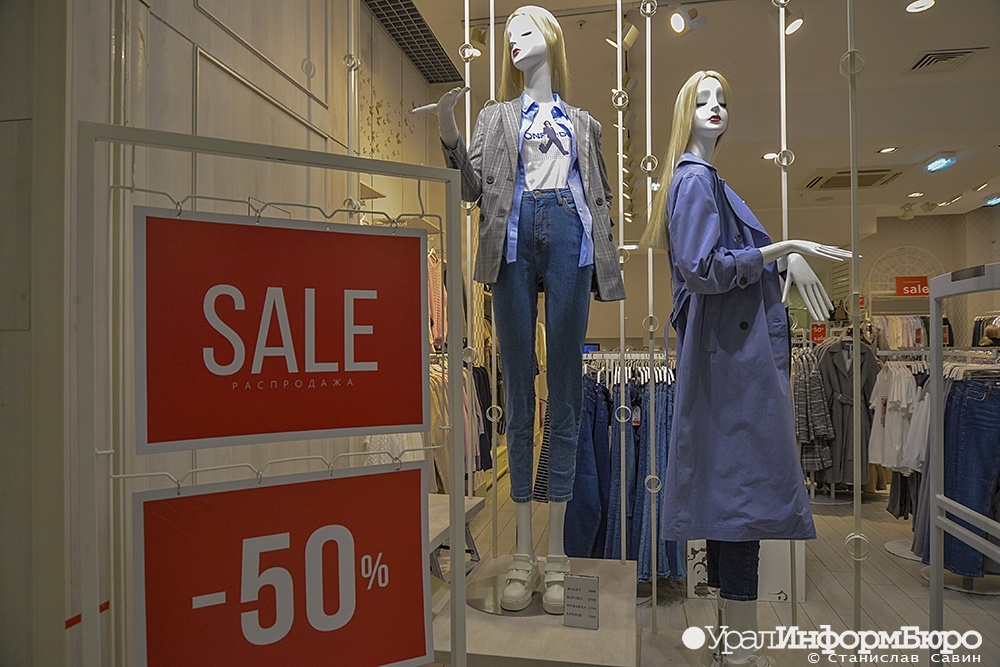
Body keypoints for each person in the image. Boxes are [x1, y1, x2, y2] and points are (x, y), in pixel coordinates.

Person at [414, 5, 625, 615]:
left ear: (551, 39)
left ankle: (556, 554)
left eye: (525, 31)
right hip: (510, 236)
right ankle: (523, 553)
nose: (513, 40)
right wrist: (450, 131)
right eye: (508, 34)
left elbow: (600, 196)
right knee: (517, 387)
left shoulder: (584, 123)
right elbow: (471, 189)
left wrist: (605, 256)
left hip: (568, 233)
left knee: (566, 393)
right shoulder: (496, 116)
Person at [640, 70, 850, 666]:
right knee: (740, 499)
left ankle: (734, 637)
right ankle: (739, 643)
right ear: (684, 111)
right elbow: (704, 268)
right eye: (702, 100)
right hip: (729, 364)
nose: (715, 108)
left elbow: (710, 266)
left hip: (729, 360)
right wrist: (784, 250)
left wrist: (777, 264)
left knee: (734, 498)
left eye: (722, 101)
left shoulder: (702, 179)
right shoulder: (693, 180)